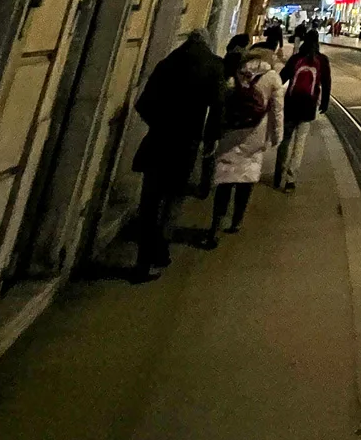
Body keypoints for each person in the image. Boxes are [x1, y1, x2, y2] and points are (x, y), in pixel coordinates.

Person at [131, 29, 223, 281]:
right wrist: (209, 141)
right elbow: (217, 109)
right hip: (186, 145)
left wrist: (160, 126)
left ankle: (143, 260)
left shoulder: (167, 64)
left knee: (150, 202)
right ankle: (160, 253)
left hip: (158, 141)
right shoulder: (213, 66)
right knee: (173, 200)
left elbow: (143, 104)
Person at [205, 38, 283, 245]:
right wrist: (277, 137)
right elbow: (277, 111)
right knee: (246, 179)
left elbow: (225, 99)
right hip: (256, 135)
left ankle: (215, 224)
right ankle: (237, 220)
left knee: (225, 178)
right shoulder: (273, 77)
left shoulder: (239, 71)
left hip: (232, 131)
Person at [275, 29, 332, 189]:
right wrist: (325, 102)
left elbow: (281, 78)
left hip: (291, 104)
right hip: (308, 106)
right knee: (299, 143)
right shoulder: (322, 60)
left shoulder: (296, 58)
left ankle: (278, 175)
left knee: (285, 140)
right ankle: (290, 180)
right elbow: (327, 83)